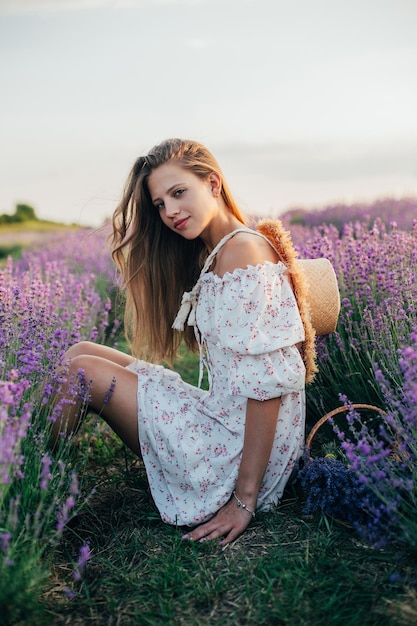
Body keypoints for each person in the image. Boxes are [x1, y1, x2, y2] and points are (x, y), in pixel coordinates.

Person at [52, 138, 310, 545]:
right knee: (78, 353)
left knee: (81, 372)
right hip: (226, 421)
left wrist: (244, 499)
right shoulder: (222, 249)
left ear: (212, 184)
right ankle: (26, 469)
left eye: (178, 193)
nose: (169, 212)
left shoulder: (244, 253)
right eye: (159, 204)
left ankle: (23, 483)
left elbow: (266, 386)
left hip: (235, 454)